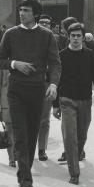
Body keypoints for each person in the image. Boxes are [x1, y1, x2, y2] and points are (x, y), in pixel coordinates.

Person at [0, 0, 61, 187]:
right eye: (20, 10)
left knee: (32, 135)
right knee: (21, 134)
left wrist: (54, 84)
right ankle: (25, 178)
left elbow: (55, 63)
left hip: (37, 91)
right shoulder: (11, 34)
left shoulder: (46, 35)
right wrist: (15, 64)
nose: (21, 13)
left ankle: (24, 171)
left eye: (26, 10)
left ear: (35, 14)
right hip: (16, 92)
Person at [53, 22, 94, 185]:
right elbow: (56, 80)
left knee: (81, 135)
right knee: (69, 136)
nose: (75, 38)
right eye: (73, 36)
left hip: (85, 100)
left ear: (83, 38)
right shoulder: (61, 55)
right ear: (69, 37)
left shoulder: (89, 55)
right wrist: (55, 105)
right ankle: (74, 172)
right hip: (66, 100)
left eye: (78, 36)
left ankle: (79, 152)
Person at [36, 14, 55, 162]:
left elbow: (58, 64)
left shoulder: (56, 40)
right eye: (42, 22)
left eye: (47, 23)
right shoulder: (30, 38)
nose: (44, 25)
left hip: (47, 83)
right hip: (30, 83)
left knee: (44, 118)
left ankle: (42, 148)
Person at [0, 59, 16, 167]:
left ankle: (19, 154)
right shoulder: (2, 60)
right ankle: (12, 158)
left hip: (21, 100)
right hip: (6, 101)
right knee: (9, 130)